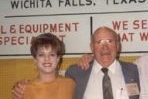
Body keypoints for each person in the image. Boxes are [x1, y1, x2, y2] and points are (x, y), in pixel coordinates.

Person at [11, 27, 140, 99]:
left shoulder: (133, 70)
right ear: (91, 47)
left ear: (118, 45)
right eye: (99, 42)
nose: (105, 48)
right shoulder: (75, 73)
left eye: (110, 42)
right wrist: (20, 86)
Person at [12, 33, 75, 99]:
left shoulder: (70, 84)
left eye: (52, 54)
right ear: (35, 59)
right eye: (41, 55)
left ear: (58, 58)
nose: (47, 59)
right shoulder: (24, 90)